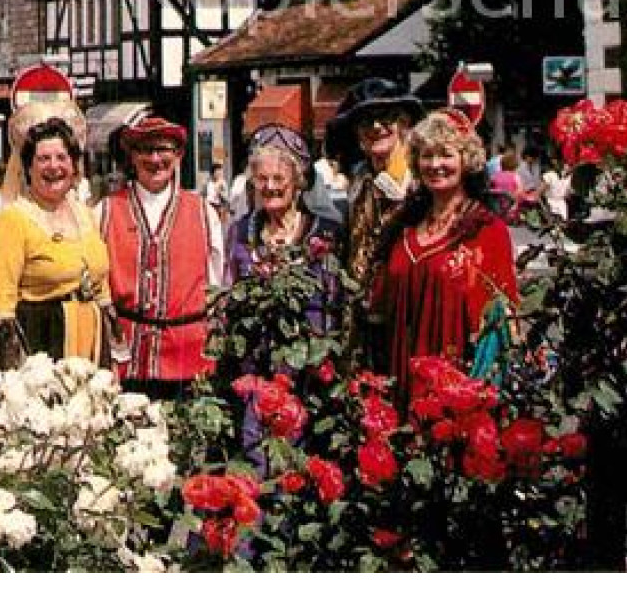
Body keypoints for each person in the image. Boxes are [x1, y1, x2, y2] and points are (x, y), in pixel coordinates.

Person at [370, 110, 520, 388]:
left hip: (458, 383)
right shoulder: (401, 226)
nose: (435, 164)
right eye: (427, 155)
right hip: (400, 372)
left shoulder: (487, 231)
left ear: (466, 160)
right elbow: (378, 307)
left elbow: (502, 323)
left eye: (446, 154)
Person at [223, 125, 339, 447]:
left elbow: (337, 304)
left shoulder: (325, 233)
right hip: (255, 373)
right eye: (262, 179)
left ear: (298, 181)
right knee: (257, 458)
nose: (270, 187)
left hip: (307, 374)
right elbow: (227, 296)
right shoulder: (239, 232)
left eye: (279, 179)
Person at [0, 115, 113, 370]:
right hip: (41, 345)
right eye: (43, 159)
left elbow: (100, 284)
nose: (53, 166)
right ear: (27, 168)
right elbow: (0, 307)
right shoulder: (11, 221)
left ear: (74, 166)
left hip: (91, 341)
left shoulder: (85, 214)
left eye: (62, 158)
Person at [102, 116, 219, 399]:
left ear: (178, 154)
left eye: (163, 149)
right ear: (132, 156)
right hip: (126, 359)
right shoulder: (105, 211)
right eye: (145, 150)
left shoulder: (204, 212)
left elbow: (217, 285)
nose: (155, 159)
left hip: (187, 357)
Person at [324, 78, 425, 368]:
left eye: (386, 118)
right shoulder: (360, 181)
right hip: (366, 320)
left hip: (409, 315)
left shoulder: (419, 180)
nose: (376, 127)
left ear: (404, 124)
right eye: (366, 121)